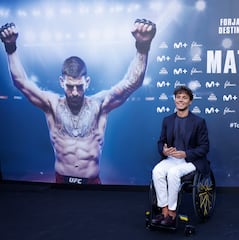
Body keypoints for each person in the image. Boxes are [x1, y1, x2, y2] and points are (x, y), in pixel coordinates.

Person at [0, 19, 156, 184]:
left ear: (87, 82)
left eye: (79, 87)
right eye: (69, 86)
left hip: (91, 181)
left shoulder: (99, 105)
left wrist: (143, 46)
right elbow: (21, 82)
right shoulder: (52, 105)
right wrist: (10, 48)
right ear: (61, 82)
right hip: (61, 180)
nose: (75, 92)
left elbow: (132, 82)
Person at [151, 86, 210, 227]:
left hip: (190, 160)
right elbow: (161, 141)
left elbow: (204, 148)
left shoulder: (198, 122)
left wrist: (186, 153)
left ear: (190, 101)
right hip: (172, 158)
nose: (180, 100)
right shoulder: (167, 120)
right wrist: (164, 151)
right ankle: (164, 211)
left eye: (184, 97)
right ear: (174, 100)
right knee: (157, 171)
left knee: (173, 173)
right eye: (178, 97)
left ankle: (172, 213)